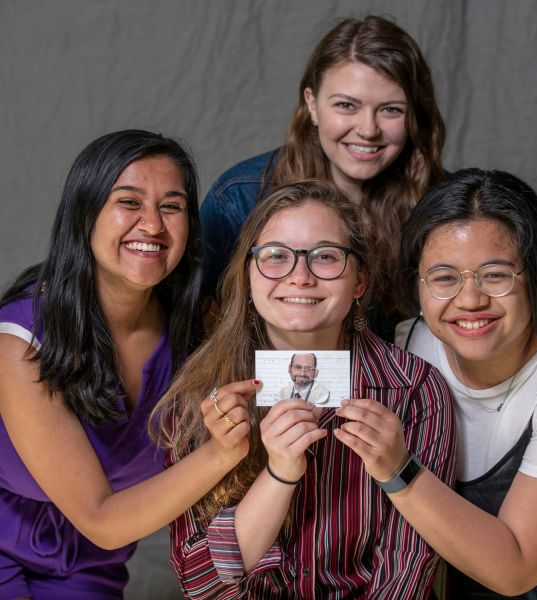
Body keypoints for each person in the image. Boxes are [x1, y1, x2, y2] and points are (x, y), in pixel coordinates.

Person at [151, 180, 456, 599]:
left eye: (325, 257)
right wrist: (279, 473)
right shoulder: (203, 395)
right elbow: (201, 584)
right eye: (276, 256)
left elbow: (406, 572)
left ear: (360, 280)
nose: (300, 277)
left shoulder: (415, 390)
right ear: (248, 274)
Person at [0, 130, 252, 600]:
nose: (152, 225)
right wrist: (219, 453)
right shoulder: (22, 339)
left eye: (171, 206)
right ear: (85, 212)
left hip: (93, 559)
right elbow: (102, 518)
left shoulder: (198, 326)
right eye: (129, 202)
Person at [393, 168, 537, 598]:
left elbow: (515, 569)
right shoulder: (407, 344)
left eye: (496, 274)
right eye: (445, 278)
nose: (470, 301)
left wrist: (396, 469)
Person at [200, 14, 446, 341]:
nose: (368, 129)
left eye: (391, 110)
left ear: (415, 115)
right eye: (346, 105)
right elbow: (196, 322)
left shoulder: (447, 206)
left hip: (402, 388)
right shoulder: (239, 198)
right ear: (312, 105)